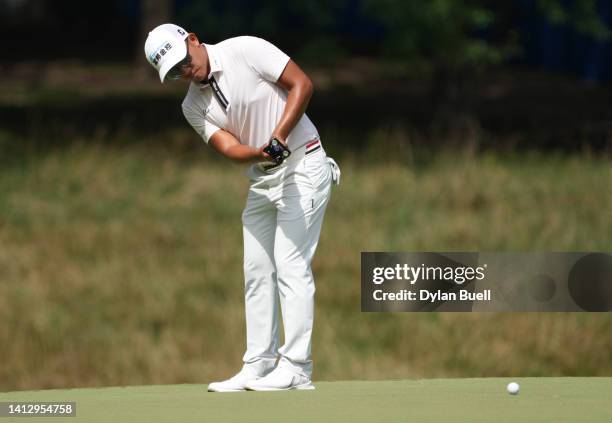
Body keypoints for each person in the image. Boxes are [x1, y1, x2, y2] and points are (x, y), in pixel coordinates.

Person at [144, 24, 340, 391]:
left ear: (193, 41)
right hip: (264, 177)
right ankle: (258, 364)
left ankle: (297, 367)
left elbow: (303, 84)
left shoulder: (245, 50)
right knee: (255, 269)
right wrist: (261, 152)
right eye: (174, 73)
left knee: (290, 263)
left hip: (305, 163)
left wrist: (279, 136)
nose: (185, 72)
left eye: (184, 62)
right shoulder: (192, 106)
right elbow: (231, 149)